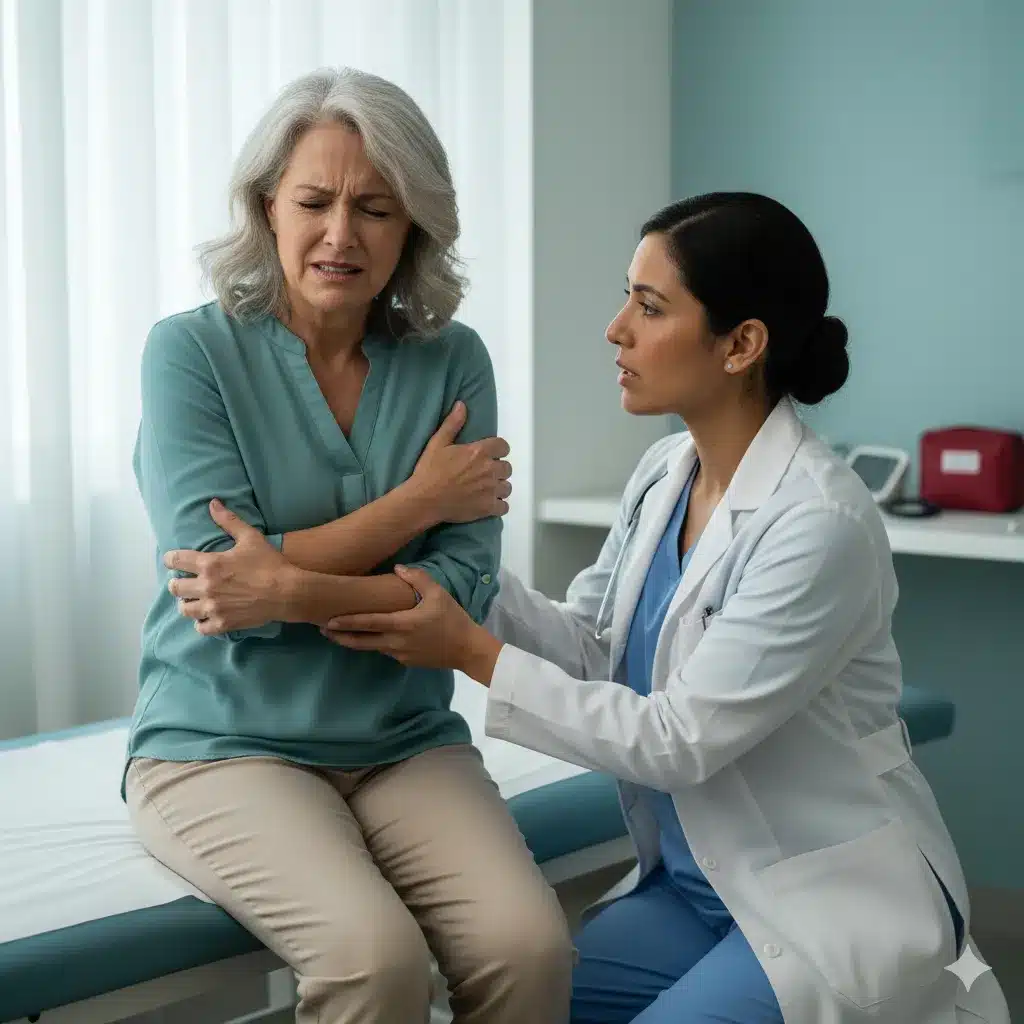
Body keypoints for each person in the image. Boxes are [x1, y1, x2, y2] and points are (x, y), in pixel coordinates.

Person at [179, 191, 1012, 1023]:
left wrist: (466, 648)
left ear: (741, 344)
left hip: (825, 892)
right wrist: (442, 557)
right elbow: (590, 648)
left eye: (649, 307)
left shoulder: (818, 525)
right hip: (699, 889)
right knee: (527, 994)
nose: (616, 329)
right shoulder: (666, 472)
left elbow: (675, 741)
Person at [124, 67, 574, 1024]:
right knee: (374, 963)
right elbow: (213, 578)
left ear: (414, 223)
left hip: (404, 740)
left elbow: (456, 586)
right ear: (266, 208)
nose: (342, 235)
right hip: (223, 743)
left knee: (529, 948)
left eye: (375, 207)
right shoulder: (190, 354)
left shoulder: (454, 359)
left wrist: (282, 589)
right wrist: (418, 500)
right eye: (314, 202)